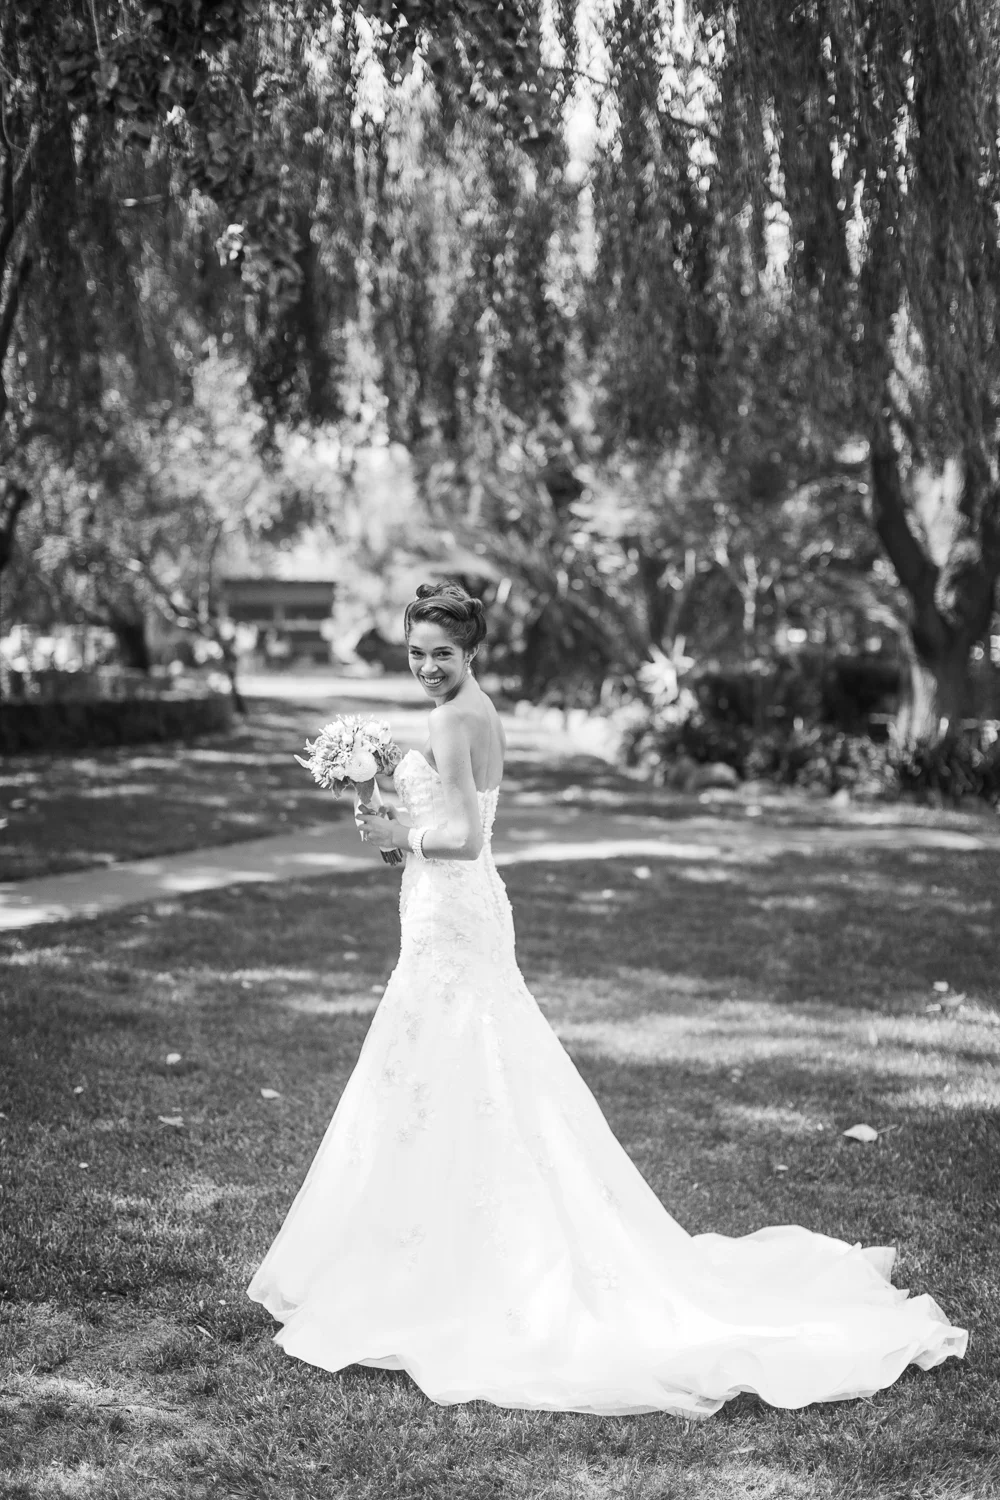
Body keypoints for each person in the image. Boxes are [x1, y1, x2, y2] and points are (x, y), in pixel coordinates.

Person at [247, 581, 967, 1418]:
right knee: (453, 1074)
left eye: (441, 653)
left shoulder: (453, 717)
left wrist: (397, 835)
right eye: (415, 653)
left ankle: (454, 1265)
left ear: (470, 650)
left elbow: (463, 836)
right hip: (453, 906)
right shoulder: (474, 710)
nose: (426, 667)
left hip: (454, 914)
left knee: (449, 1067)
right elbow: (453, 822)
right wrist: (392, 823)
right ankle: (440, 1245)